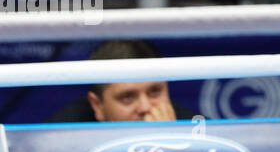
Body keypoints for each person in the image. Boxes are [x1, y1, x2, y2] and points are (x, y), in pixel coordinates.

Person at [48, 40, 199, 122]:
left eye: (154, 91)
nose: (145, 107)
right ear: (97, 105)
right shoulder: (60, 142)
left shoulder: (197, 133)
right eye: (127, 97)